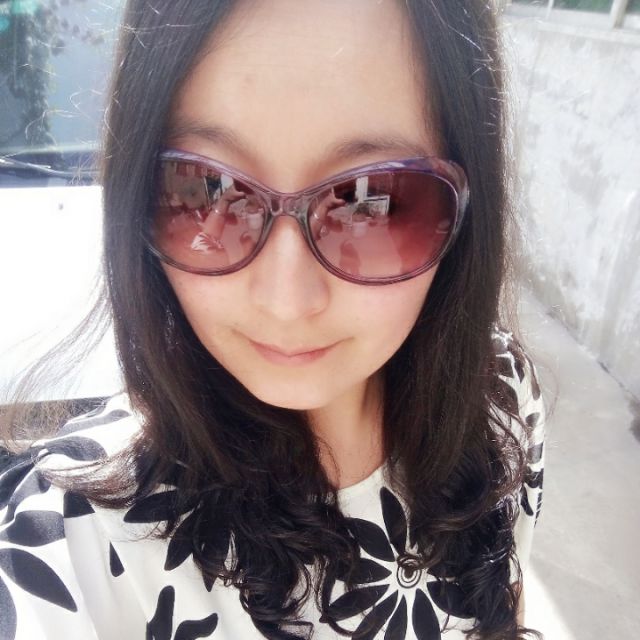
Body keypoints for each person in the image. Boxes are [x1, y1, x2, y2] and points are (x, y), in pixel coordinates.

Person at [0, 1, 546, 639]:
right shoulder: (72, 540)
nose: (286, 301)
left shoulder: (502, 396)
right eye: (206, 189)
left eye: (372, 202)